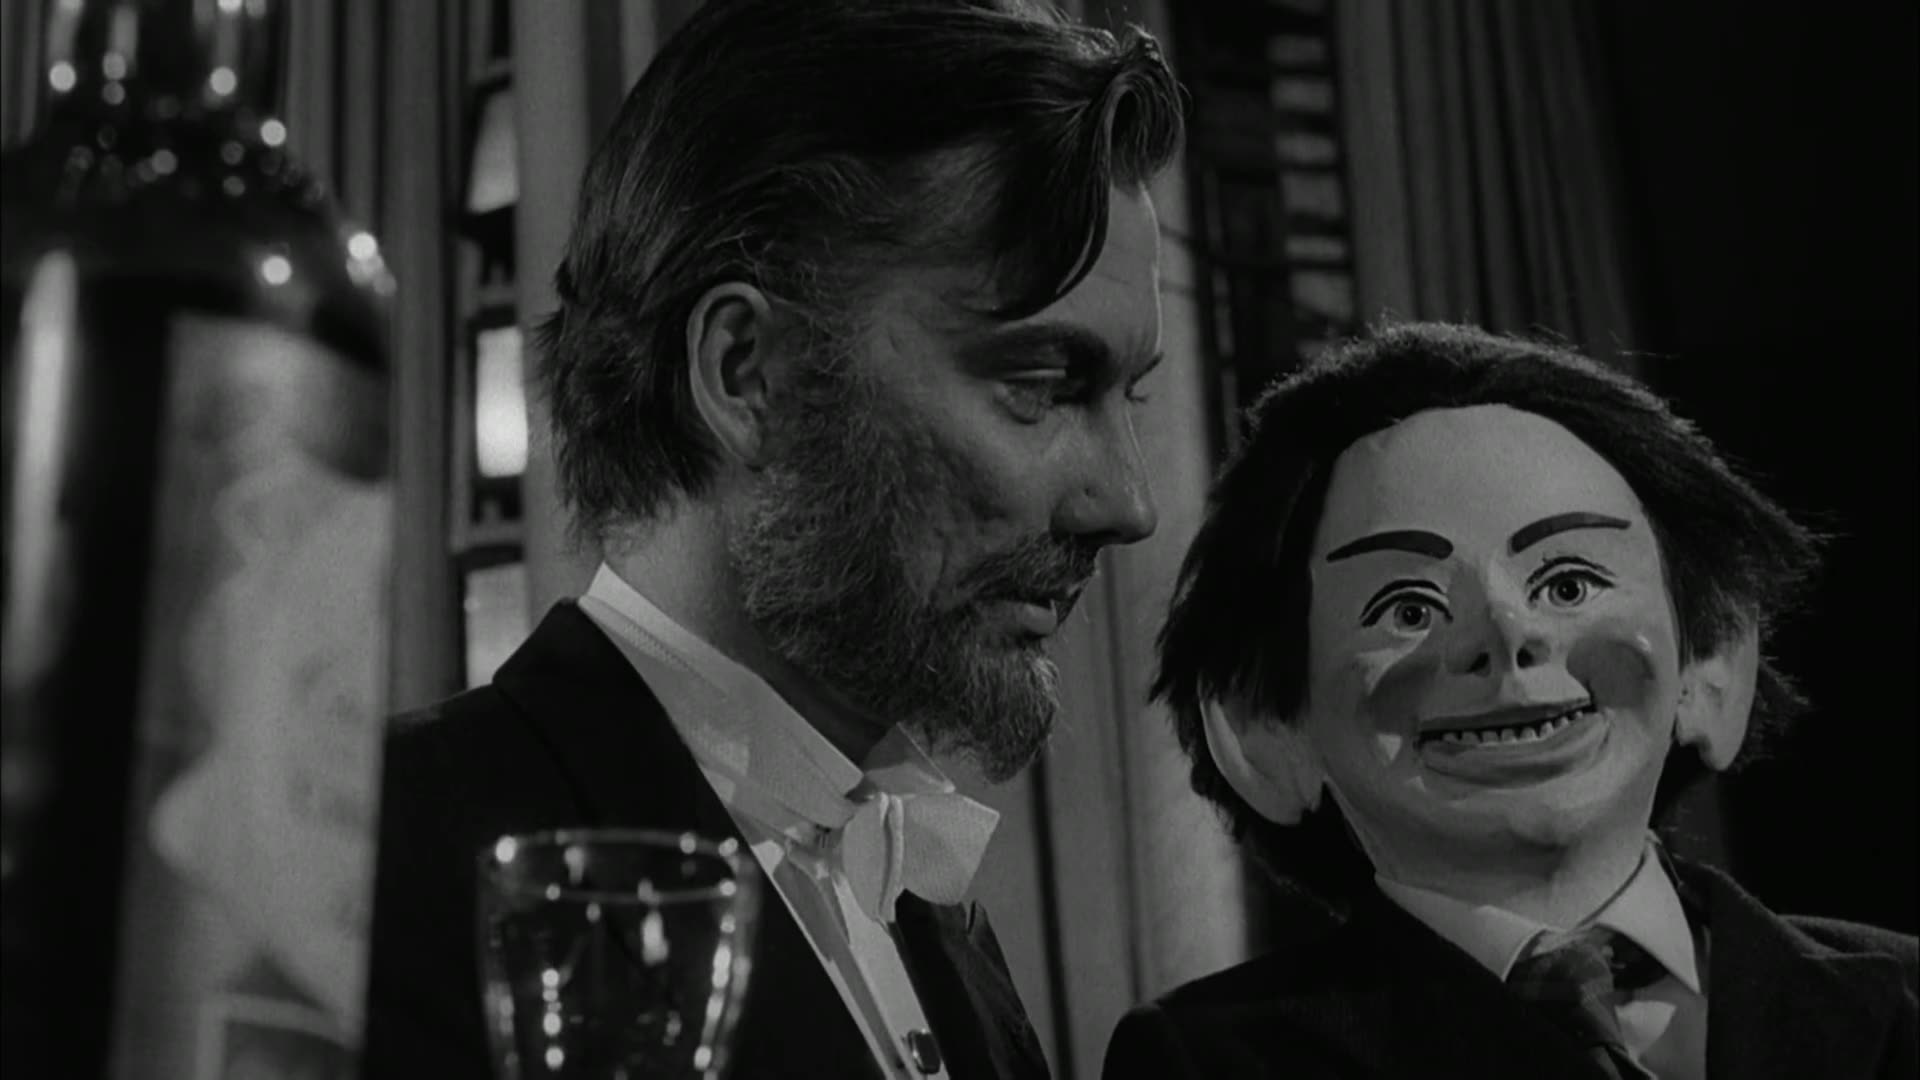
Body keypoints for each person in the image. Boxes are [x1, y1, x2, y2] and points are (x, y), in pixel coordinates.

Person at [361, 1, 1182, 1077]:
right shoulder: (381, 867)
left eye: (1130, 395)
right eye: (1044, 382)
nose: (1127, 502)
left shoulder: (935, 922)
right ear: (750, 374)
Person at [1106, 322, 1918, 1079]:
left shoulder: (1901, 998)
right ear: (1265, 728)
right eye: (1408, 609)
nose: (1505, 632)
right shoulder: (1211, 1061)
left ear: (1711, 664)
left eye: (1569, 584)